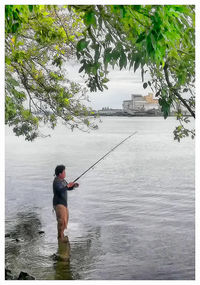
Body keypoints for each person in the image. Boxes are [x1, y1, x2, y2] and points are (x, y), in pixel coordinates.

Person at [53, 165, 79, 243]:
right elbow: (60, 190)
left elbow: (66, 188)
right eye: (64, 172)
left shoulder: (63, 180)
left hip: (64, 204)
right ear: (60, 173)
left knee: (65, 221)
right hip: (58, 204)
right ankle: (60, 238)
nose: (65, 173)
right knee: (61, 222)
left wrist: (73, 186)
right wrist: (68, 185)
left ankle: (62, 236)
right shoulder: (57, 181)